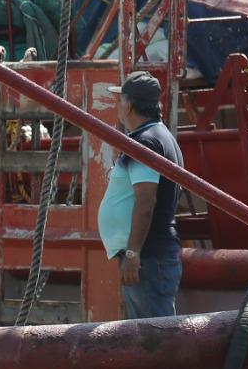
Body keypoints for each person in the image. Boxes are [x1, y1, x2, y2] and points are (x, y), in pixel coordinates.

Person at [98, 71, 184, 318]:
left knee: (154, 334)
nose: (118, 107)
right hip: (153, 255)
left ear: (129, 106)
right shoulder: (160, 136)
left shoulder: (145, 143)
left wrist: (133, 254)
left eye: (120, 101)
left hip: (148, 258)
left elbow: (146, 201)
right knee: (152, 330)